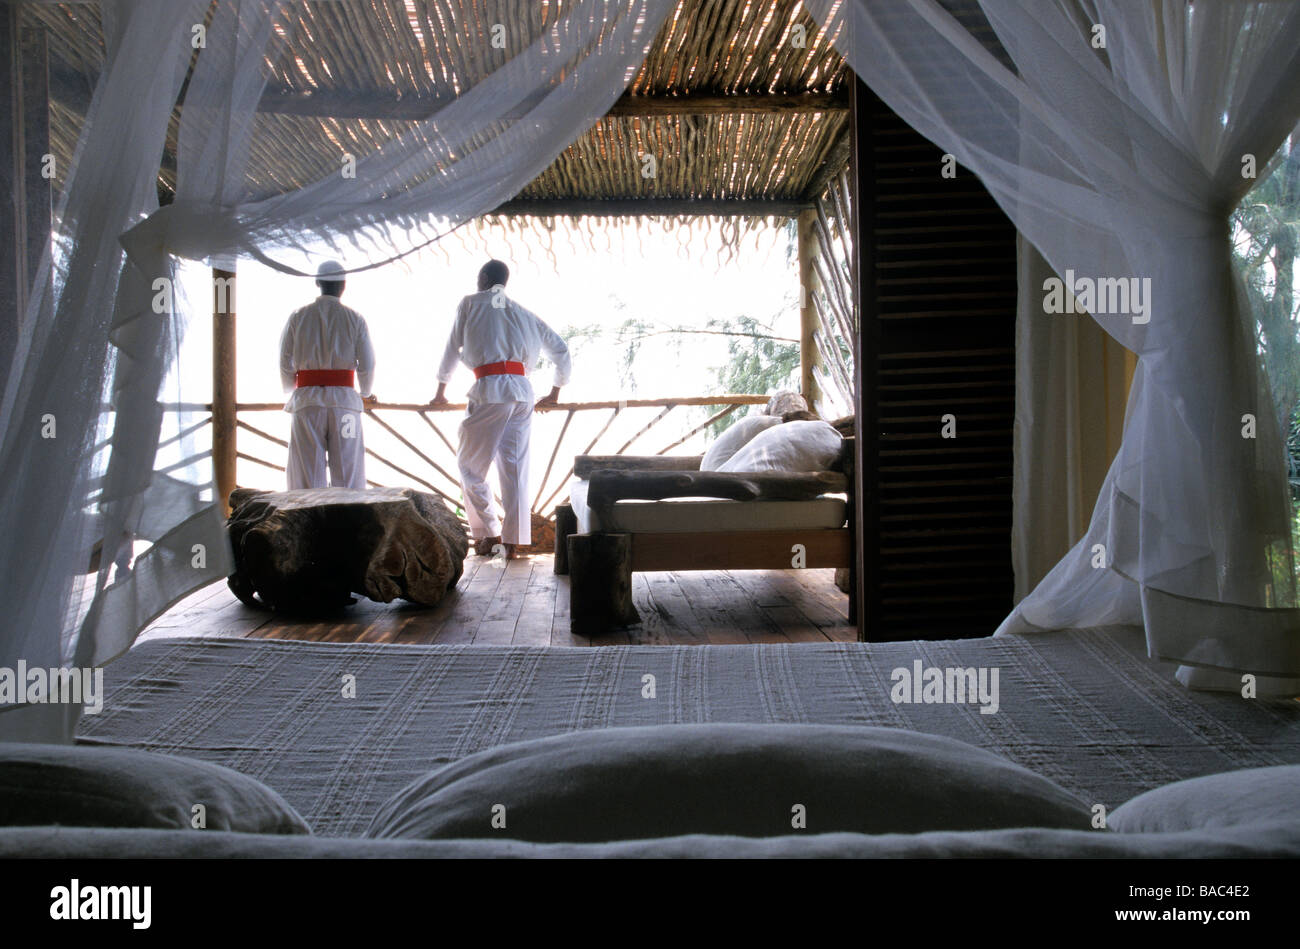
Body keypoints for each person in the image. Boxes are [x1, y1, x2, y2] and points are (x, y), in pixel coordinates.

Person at [431, 260, 570, 559]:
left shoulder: (470, 303)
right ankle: (512, 541)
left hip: (491, 390)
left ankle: (489, 533)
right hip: (522, 393)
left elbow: (452, 348)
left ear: (482, 277)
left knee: (470, 468)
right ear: (504, 282)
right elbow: (561, 350)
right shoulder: (523, 313)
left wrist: (441, 390)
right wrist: (555, 393)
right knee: (515, 469)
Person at [279, 260, 377, 490]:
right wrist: (365, 391)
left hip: (308, 405)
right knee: (348, 471)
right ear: (343, 285)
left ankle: (311, 523)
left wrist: (289, 388)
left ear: (317, 282)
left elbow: (284, 361)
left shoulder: (298, 317)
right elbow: (368, 364)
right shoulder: (355, 319)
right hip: (345, 406)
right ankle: (348, 522)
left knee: (307, 477)